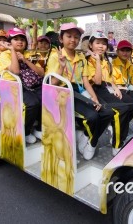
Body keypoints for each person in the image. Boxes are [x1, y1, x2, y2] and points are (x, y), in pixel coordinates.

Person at [46, 23, 114, 160]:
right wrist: (61, 66)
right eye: (69, 36)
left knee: (107, 112)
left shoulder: (81, 58)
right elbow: (51, 83)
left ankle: (88, 138)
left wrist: (94, 97)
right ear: (61, 39)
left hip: (80, 90)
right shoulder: (55, 56)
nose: (73, 40)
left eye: (76, 37)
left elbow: (85, 81)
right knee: (93, 117)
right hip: (63, 92)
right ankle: (90, 141)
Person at [86, 31, 133, 156]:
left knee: (132, 105)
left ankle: (117, 133)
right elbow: (97, 81)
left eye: (103, 44)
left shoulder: (106, 60)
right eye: (97, 43)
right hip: (95, 89)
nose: (101, 46)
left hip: (106, 88)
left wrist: (116, 88)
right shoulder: (89, 60)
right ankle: (117, 145)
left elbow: (109, 79)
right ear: (91, 45)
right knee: (121, 109)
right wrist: (97, 61)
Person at [3, 28, 44, 144]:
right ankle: (25, 132)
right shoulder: (5, 54)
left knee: (47, 98)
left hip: (32, 84)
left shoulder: (31, 54)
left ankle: (39, 128)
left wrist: (25, 60)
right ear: (9, 41)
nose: (20, 42)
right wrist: (12, 51)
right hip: (13, 85)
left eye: (22, 39)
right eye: (15, 39)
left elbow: (41, 72)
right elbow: (15, 71)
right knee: (33, 103)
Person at [112, 40, 133, 123]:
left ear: (131, 52)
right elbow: (111, 82)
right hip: (116, 90)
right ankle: (121, 124)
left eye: (127, 51)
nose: (125, 53)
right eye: (122, 50)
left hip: (127, 88)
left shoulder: (130, 65)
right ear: (117, 51)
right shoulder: (112, 64)